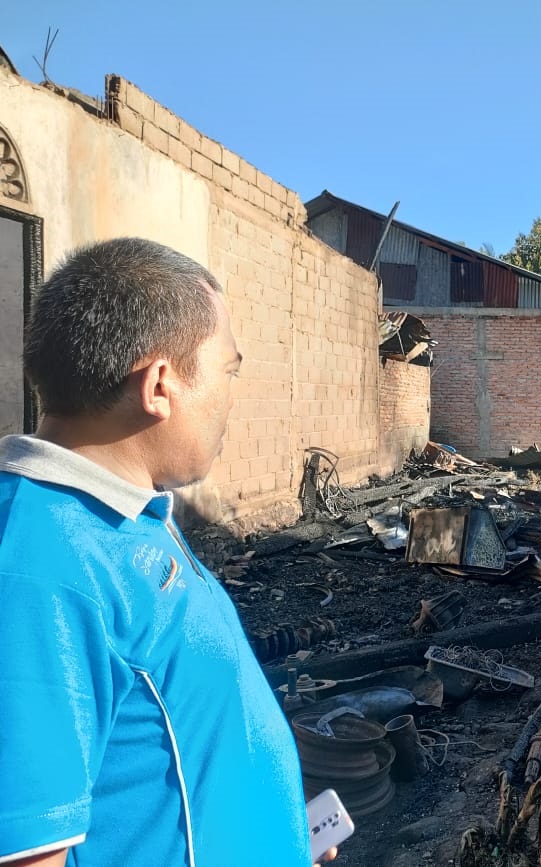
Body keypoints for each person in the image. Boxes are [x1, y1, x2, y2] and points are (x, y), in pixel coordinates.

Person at [0, 239, 335, 866]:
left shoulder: (127, 512)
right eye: (229, 371)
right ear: (159, 385)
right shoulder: (37, 568)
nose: (232, 395)